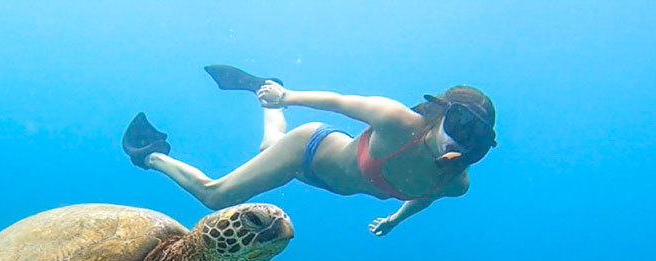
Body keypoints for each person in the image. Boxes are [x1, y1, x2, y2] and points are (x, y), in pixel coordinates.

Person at [123, 65, 497, 236]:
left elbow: (425, 197)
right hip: (312, 148)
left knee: (268, 145)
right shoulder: (398, 121)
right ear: (440, 113)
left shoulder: (455, 181)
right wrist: (287, 96)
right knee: (215, 196)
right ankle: (149, 153)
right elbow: (339, 101)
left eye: (474, 137)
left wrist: (394, 220)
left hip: (326, 181)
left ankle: (263, 89)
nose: (459, 140)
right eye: (458, 123)